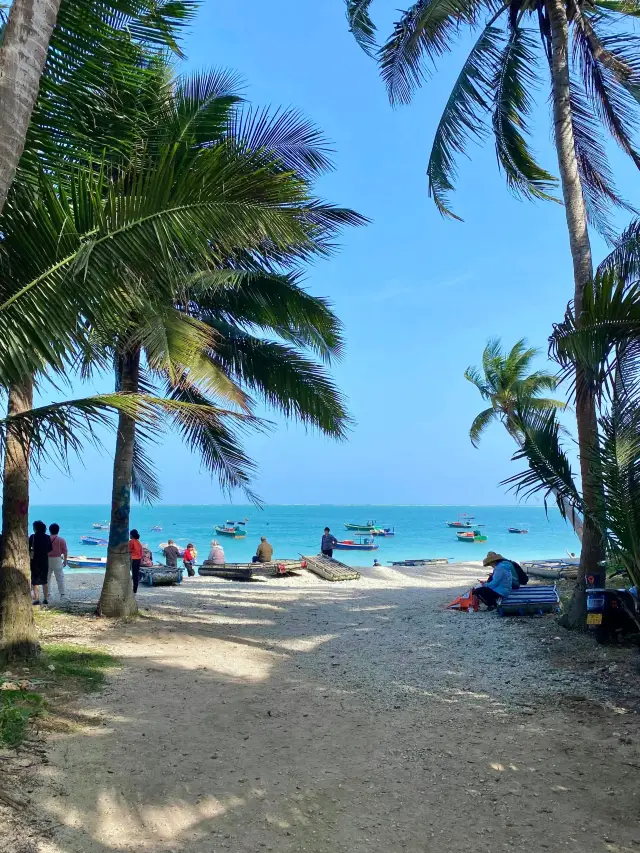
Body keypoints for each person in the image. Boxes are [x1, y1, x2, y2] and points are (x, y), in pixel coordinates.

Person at [30, 521, 52, 606]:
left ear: (35, 528)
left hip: (35, 560)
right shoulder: (47, 537)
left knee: (35, 581)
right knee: (44, 580)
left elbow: (28, 547)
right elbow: (50, 548)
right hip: (44, 559)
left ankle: (37, 599)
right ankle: (45, 599)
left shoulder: (33, 537)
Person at [47, 523, 67, 599]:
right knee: (60, 577)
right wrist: (65, 561)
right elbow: (65, 551)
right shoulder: (61, 540)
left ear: (50, 530)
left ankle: (48, 594)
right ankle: (62, 594)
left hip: (47, 559)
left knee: (47, 578)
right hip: (57, 559)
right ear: (58, 531)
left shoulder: (46, 538)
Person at [128, 529, 143, 594]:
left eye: (130, 534)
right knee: (135, 574)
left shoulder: (131, 541)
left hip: (133, 559)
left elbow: (128, 550)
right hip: (138, 559)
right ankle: (135, 589)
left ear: (132, 535)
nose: (129, 535)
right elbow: (141, 552)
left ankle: (131, 588)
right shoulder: (138, 542)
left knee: (131, 573)